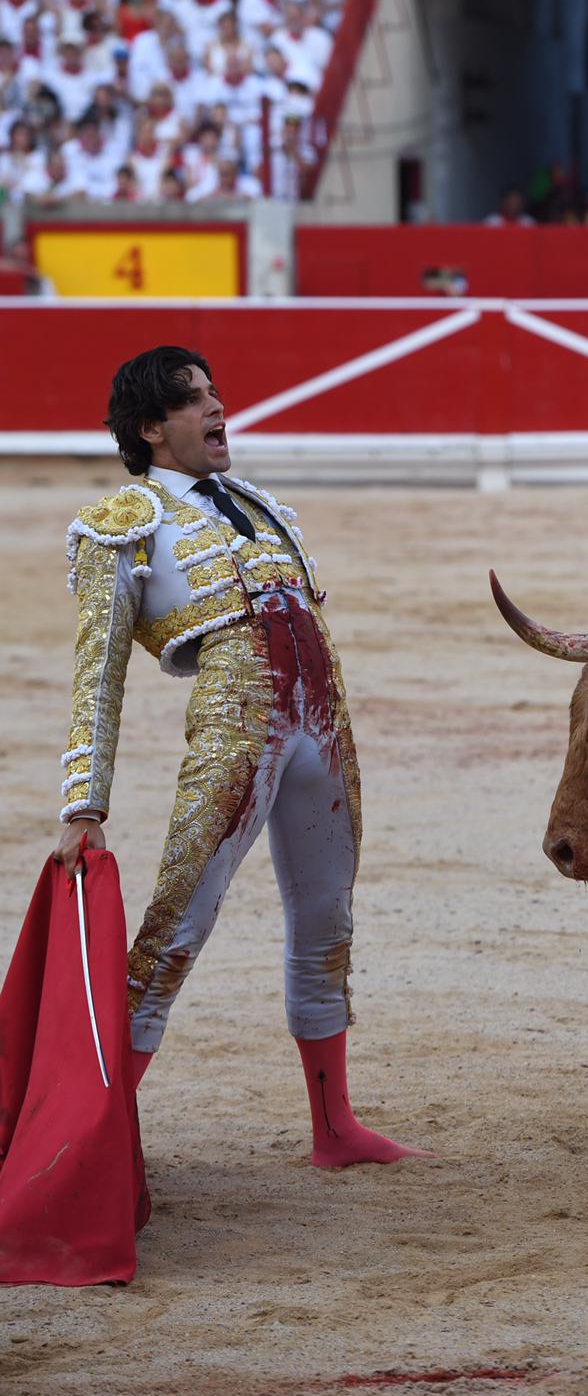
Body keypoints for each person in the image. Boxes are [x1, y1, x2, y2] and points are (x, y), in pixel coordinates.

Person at [52, 348, 432, 1170]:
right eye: (194, 402)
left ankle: (334, 1130)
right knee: (178, 923)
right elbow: (99, 671)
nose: (218, 408)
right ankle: (90, 1143)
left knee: (328, 920)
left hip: (322, 723)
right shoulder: (125, 521)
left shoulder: (262, 506)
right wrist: (85, 803)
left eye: (215, 393)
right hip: (238, 723)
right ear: (152, 429)